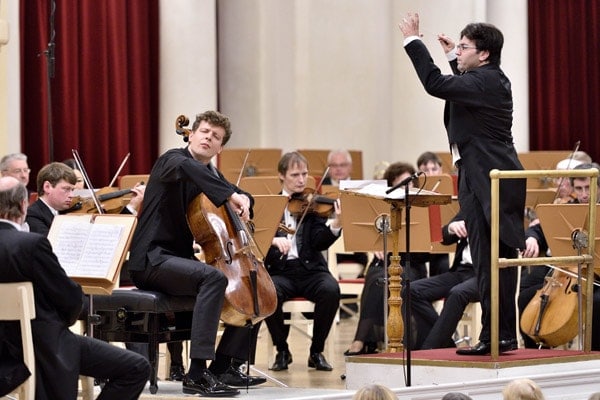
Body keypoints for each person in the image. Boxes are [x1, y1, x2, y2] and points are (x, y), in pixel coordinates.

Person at [399, 14, 526, 355]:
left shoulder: (486, 80)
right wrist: (452, 55)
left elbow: (435, 84)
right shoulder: (485, 79)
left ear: (484, 54)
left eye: (464, 47)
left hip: (490, 179)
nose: (458, 50)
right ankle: (499, 335)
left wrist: (413, 41)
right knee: (489, 260)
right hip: (480, 175)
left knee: (491, 260)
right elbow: (463, 90)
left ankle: (497, 336)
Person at [127, 110, 264, 397]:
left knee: (251, 287)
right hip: (151, 259)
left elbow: (238, 193)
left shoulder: (212, 174)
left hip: (176, 261)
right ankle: (197, 374)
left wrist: (245, 199)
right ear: (191, 135)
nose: (208, 138)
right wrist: (230, 194)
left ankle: (223, 366)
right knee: (213, 279)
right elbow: (192, 170)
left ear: (220, 147)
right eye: (204, 132)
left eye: (216, 137)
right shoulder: (171, 160)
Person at [0, 176, 150, 400]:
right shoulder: (31, 244)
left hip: (4, 350)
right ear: (23, 205)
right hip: (45, 345)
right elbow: (70, 299)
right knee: (136, 367)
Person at [264, 151, 342, 372]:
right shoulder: (270, 206)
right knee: (268, 292)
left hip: (311, 270)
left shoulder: (313, 205)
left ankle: (316, 352)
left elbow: (319, 242)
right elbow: (259, 242)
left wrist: (336, 223)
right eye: (295, 175)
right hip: (281, 271)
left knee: (330, 289)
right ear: (281, 176)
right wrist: (273, 241)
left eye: (305, 174)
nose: (301, 180)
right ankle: (282, 350)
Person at [344, 161, 427, 355]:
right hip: (384, 261)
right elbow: (364, 234)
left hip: (411, 263)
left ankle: (400, 342)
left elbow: (426, 249)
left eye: (409, 183)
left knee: (397, 279)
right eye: (400, 184)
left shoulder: (421, 206)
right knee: (377, 279)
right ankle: (360, 340)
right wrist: (374, 245)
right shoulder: (380, 207)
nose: (406, 188)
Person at [408, 210, 479, 350]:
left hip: (486, 274)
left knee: (457, 293)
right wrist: (451, 227)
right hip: (462, 270)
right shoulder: (471, 206)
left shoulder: (498, 209)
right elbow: (444, 236)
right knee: (411, 291)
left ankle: (428, 349)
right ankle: (444, 343)